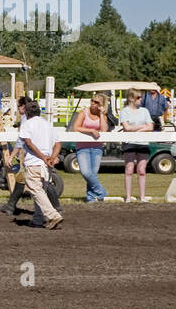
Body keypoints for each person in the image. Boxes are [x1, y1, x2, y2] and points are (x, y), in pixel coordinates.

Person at [17, 100, 64, 229]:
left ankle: (53, 215)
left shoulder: (27, 124)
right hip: (47, 164)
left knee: (35, 190)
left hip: (34, 162)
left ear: (26, 112)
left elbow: (29, 143)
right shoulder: (48, 125)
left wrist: (43, 157)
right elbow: (58, 144)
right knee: (40, 192)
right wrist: (52, 157)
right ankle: (38, 219)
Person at [71, 92, 108, 202]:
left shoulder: (103, 116)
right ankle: (101, 191)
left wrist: (101, 114)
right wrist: (91, 131)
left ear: (102, 104)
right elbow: (76, 127)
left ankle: (90, 198)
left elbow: (104, 130)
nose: (93, 103)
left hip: (97, 148)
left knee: (93, 175)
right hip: (83, 148)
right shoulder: (83, 113)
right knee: (86, 172)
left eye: (96, 102)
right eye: (92, 100)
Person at [118, 87, 153, 202]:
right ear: (131, 98)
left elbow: (151, 127)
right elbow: (126, 128)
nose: (140, 99)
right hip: (129, 143)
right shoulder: (124, 111)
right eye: (138, 97)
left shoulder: (144, 111)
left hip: (143, 143)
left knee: (142, 170)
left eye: (141, 97)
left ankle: (142, 197)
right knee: (129, 169)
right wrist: (142, 127)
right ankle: (128, 197)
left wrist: (137, 130)